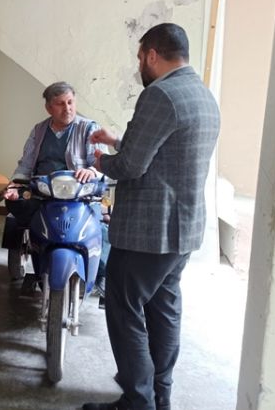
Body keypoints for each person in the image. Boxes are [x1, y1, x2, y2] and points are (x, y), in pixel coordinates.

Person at [82, 23, 220, 410]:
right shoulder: (202, 94)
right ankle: (160, 397)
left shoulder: (160, 94)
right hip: (182, 231)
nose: (139, 65)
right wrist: (117, 140)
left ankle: (137, 401)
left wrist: (101, 161)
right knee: (164, 309)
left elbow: (131, 166)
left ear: (153, 55)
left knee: (123, 309)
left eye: (140, 57)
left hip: (148, 231)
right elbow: (167, 153)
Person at [2, 81, 107, 278]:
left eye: (70, 102)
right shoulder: (39, 130)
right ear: (49, 108)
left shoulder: (89, 128)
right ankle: (37, 248)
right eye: (60, 104)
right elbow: (26, 164)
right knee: (16, 206)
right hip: (44, 191)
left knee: (97, 227)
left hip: (78, 194)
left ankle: (99, 274)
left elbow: (100, 162)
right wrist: (15, 183)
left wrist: (92, 171)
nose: (67, 108)